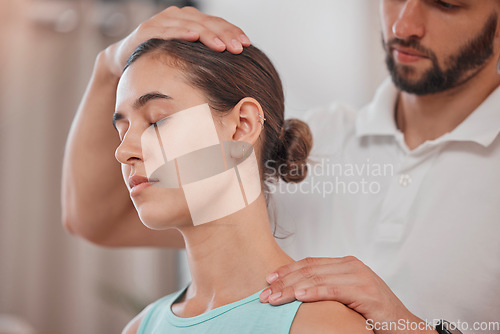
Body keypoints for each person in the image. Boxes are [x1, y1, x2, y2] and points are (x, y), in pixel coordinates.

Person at [62, 2, 500, 333]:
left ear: (243, 125)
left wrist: (407, 326)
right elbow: (97, 219)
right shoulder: (309, 136)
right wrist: (108, 65)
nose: (404, 25)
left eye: (446, 2)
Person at [112, 37, 371, 333]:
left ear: (242, 126)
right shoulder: (141, 328)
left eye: (157, 121)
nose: (123, 151)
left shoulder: (323, 325)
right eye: (122, 130)